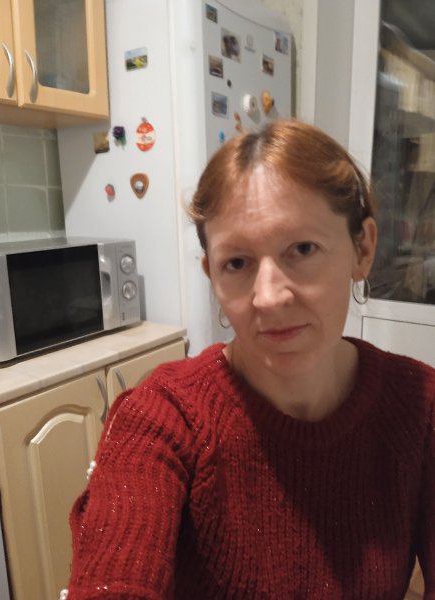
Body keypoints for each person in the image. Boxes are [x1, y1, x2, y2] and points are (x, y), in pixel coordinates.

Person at [64, 119, 435, 599]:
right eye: (236, 263)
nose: (268, 298)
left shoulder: (419, 406)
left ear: (362, 248)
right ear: (212, 275)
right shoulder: (162, 418)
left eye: (302, 249)